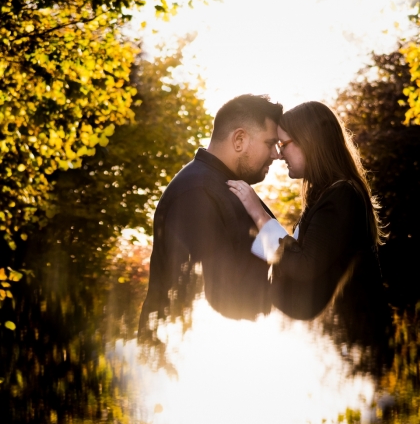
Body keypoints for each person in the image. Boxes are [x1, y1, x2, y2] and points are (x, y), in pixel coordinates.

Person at [138, 94, 283, 339]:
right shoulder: (198, 193)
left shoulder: (228, 188)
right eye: (270, 143)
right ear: (239, 139)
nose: (276, 155)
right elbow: (207, 299)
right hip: (194, 359)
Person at [228, 101, 385, 320]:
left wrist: (259, 215)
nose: (280, 154)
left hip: (350, 338)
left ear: (309, 141)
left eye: (283, 144)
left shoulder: (341, 196)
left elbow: (304, 266)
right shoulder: (327, 194)